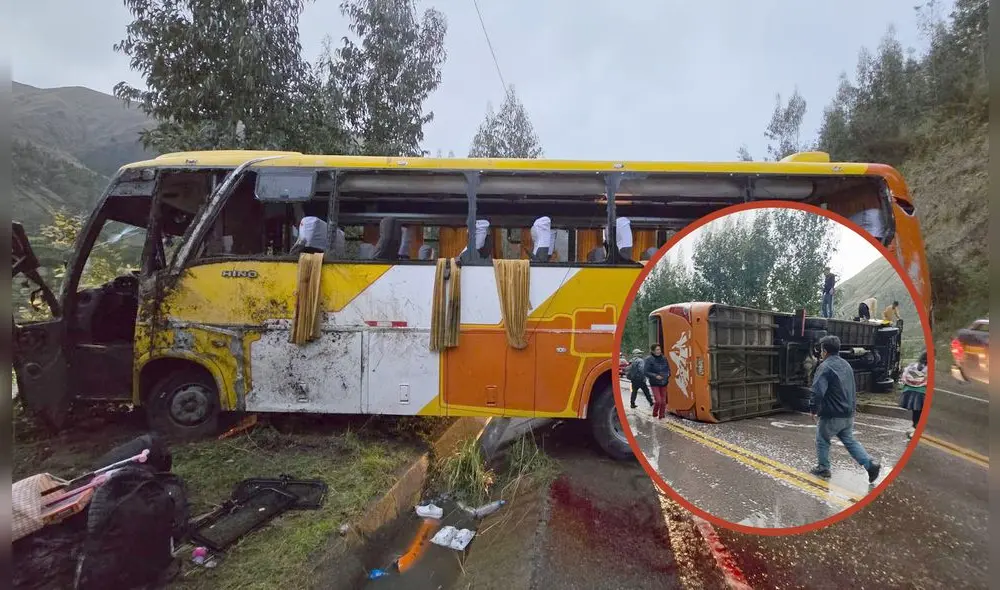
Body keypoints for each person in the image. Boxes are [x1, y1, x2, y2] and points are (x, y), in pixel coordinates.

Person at [809, 335, 882, 483]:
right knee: (849, 441)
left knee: (822, 439)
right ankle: (870, 465)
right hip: (848, 413)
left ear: (824, 350)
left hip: (832, 414)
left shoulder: (825, 367)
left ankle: (823, 468)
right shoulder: (846, 365)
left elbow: (818, 391)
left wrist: (813, 408)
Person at [899, 351, 928, 439]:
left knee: (916, 412)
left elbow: (903, 377)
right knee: (920, 412)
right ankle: (914, 429)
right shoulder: (929, 368)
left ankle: (913, 428)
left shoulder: (912, 366)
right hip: (921, 392)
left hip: (909, 391)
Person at [644, 344, 671, 419]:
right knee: (658, 400)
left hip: (664, 381)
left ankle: (662, 416)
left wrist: (668, 374)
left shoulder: (664, 358)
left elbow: (668, 368)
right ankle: (655, 413)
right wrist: (655, 376)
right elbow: (646, 372)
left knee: (663, 401)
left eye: (659, 349)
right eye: (657, 350)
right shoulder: (649, 359)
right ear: (653, 351)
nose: (659, 351)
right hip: (654, 383)